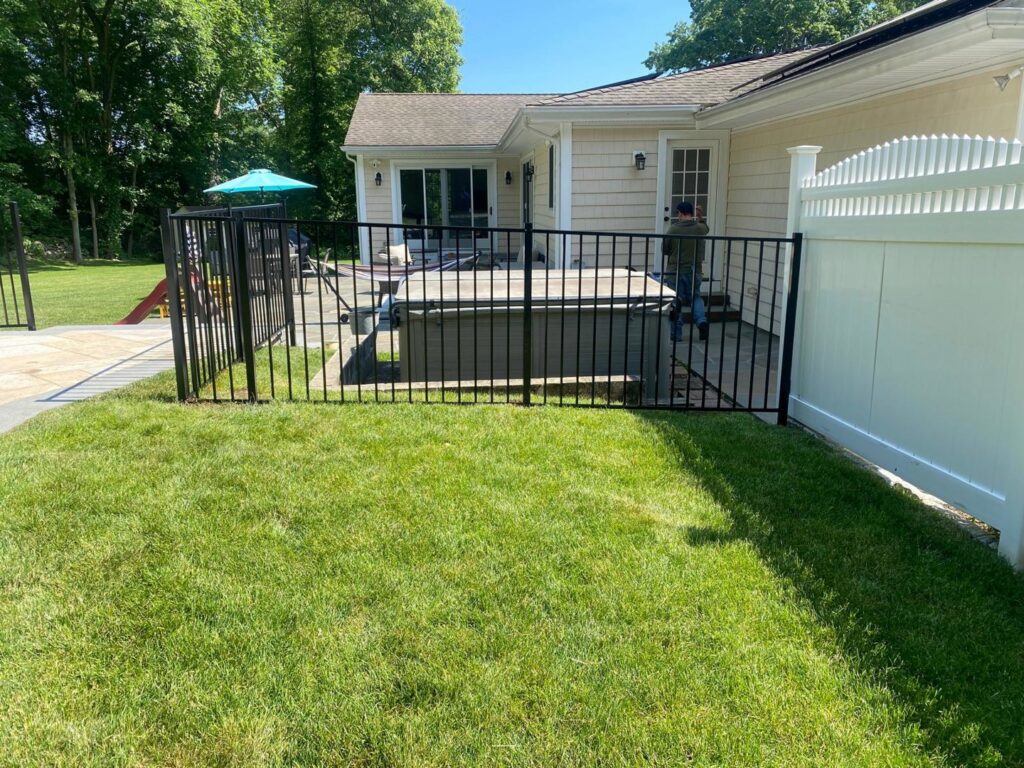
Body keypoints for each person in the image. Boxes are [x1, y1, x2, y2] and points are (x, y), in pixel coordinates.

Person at [661, 201, 709, 342]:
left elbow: (665, 249)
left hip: (675, 270)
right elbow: (706, 228)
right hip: (695, 270)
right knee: (695, 297)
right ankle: (701, 321)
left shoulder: (673, 229)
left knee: (676, 301)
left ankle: (676, 334)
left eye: (678, 213)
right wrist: (699, 218)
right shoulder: (699, 228)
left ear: (681, 213)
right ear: (691, 214)